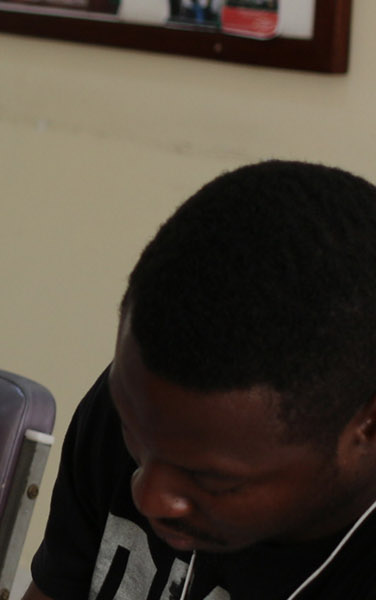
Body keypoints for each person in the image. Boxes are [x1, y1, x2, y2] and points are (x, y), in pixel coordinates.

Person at [25, 160, 376, 599]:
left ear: (367, 426)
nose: (148, 495)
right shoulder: (150, 410)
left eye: (213, 480)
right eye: (132, 432)